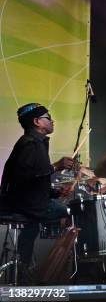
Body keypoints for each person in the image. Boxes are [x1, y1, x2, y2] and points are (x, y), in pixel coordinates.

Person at [0, 103, 74, 268]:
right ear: (37, 121)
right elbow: (25, 176)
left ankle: (24, 265)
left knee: (33, 226)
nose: (52, 121)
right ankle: (62, 266)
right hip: (25, 205)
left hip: (28, 202)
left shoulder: (34, 142)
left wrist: (56, 192)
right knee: (73, 212)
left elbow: (34, 182)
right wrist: (56, 166)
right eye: (48, 118)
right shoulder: (30, 143)